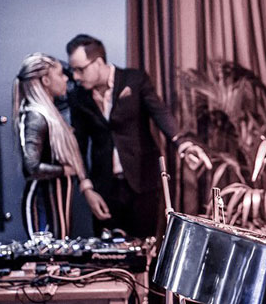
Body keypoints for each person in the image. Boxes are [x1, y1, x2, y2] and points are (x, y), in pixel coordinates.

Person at [66, 34, 210, 239]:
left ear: (98, 62)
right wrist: (86, 187)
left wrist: (182, 144)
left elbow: (160, 113)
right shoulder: (78, 96)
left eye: (80, 69)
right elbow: (78, 146)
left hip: (142, 183)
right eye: (73, 70)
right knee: (106, 251)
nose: (75, 76)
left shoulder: (134, 79)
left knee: (145, 247)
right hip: (104, 188)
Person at [13, 53, 110, 239]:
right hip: (43, 202)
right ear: (46, 81)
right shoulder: (35, 115)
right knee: (46, 254)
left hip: (56, 199)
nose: (66, 78)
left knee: (58, 250)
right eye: (60, 74)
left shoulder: (50, 113)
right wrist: (65, 170)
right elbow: (31, 167)